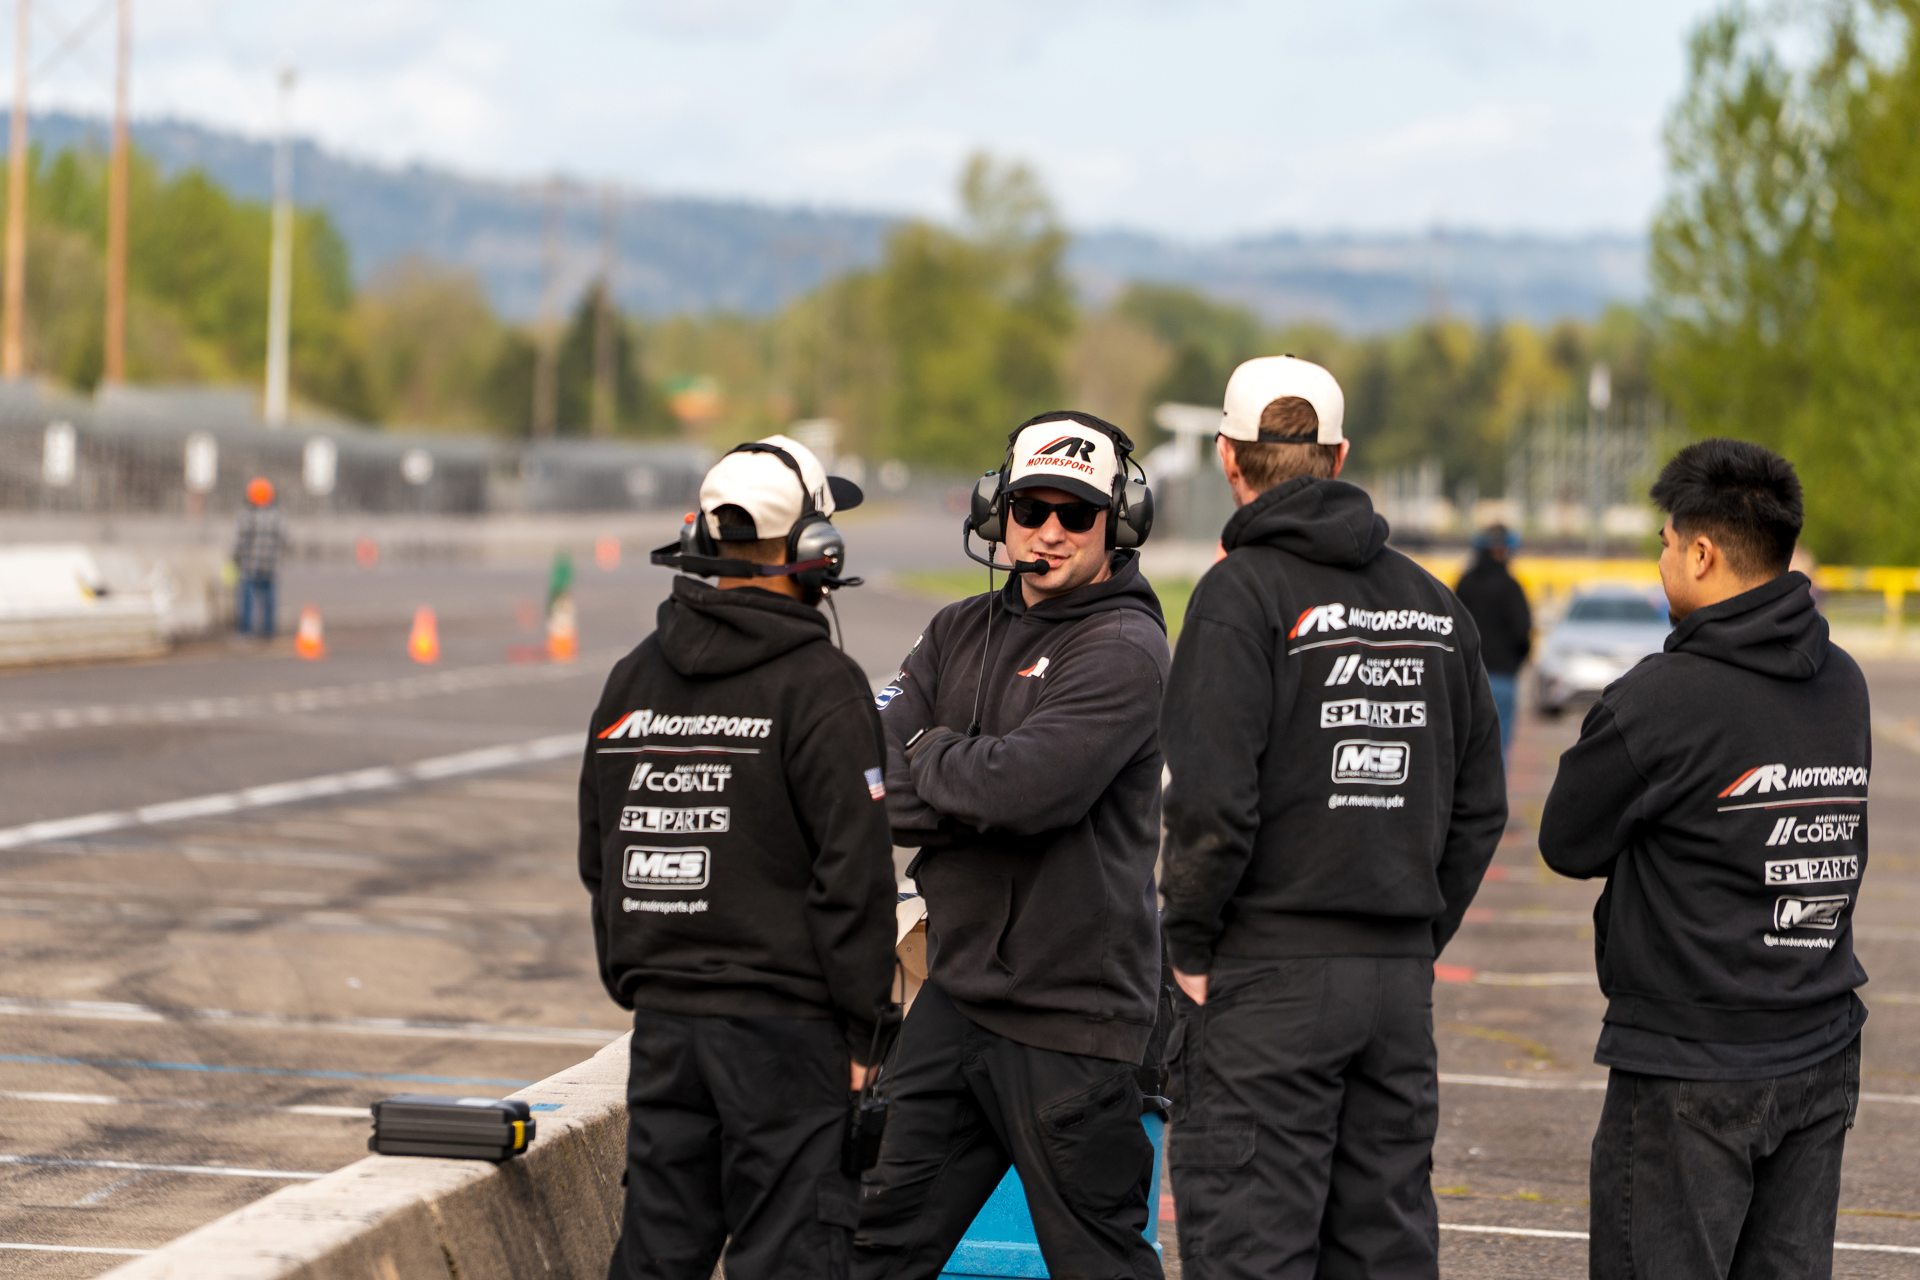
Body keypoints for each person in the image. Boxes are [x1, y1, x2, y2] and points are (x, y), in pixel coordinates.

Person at [1158, 356, 1507, 1280]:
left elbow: (1210, 802)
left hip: (1266, 977)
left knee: (1251, 1249)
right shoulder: (1437, 604)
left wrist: (1189, 940)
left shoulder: (1239, 594)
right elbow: (1480, 805)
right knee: (1383, 1247)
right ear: (1340, 455)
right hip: (1395, 982)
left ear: (1230, 461)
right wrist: (1415, 930)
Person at [1539, 439, 1870, 1280]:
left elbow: (1567, 841)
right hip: (1821, 1042)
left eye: (1662, 542)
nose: (1659, 559)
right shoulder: (1844, 681)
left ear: (1702, 551)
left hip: (1691, 1064)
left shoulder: (1660, 698)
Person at [854, 411, 1170, 1280]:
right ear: (1000, 512)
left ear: (1119, 521)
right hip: (957, 998)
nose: (1052, 532)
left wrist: (930, 754)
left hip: (1073, 1019)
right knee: (867, 1240)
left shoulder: (1126, 647)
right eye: (1033, 508)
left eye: (1077, 512)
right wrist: (972, 782)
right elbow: (863, 781)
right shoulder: (957, 628)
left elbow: (1029, 792)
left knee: (1097, 1261)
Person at [579, 434, 899, 1280]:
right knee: (794, 1255)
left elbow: (600, 856)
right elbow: (854, 881)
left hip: (665, 1029)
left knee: (656, 1256)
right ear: (814, 555)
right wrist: (869, 1030)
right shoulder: (822, 686)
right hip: (787, 1036)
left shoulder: (629, 680)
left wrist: (649, 976)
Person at [1453, 524, 1532, 760]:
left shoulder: (1464, 584)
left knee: (1465, 749)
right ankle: (1496, 798)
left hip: (1468, 678)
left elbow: (1452, 628)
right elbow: (1523, 634)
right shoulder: (1511, 587)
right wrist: (1514, 664)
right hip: (1502, 677)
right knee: (1498, 749)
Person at [232, 477, 284, 639]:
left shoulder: (246, 517)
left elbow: (238, 541)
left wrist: (234, 558)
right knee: (269, 600)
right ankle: (268, 631)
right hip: (270, 565)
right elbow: (287, 540)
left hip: (250, 565)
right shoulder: (276, 517)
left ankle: (246, 631)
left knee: (247, 599)